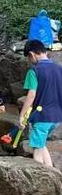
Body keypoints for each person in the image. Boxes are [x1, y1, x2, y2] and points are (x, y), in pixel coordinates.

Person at [18, 39, 62, 167]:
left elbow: (31, 95)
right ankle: (53, 175)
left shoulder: (34, 71)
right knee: (41, 145)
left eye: (28, 58)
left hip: (42, 117)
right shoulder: (59, 68)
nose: (29, 61)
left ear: (31, 54)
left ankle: (38, 179)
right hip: (57, 117)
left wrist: (22, 116)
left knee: (37, 150)